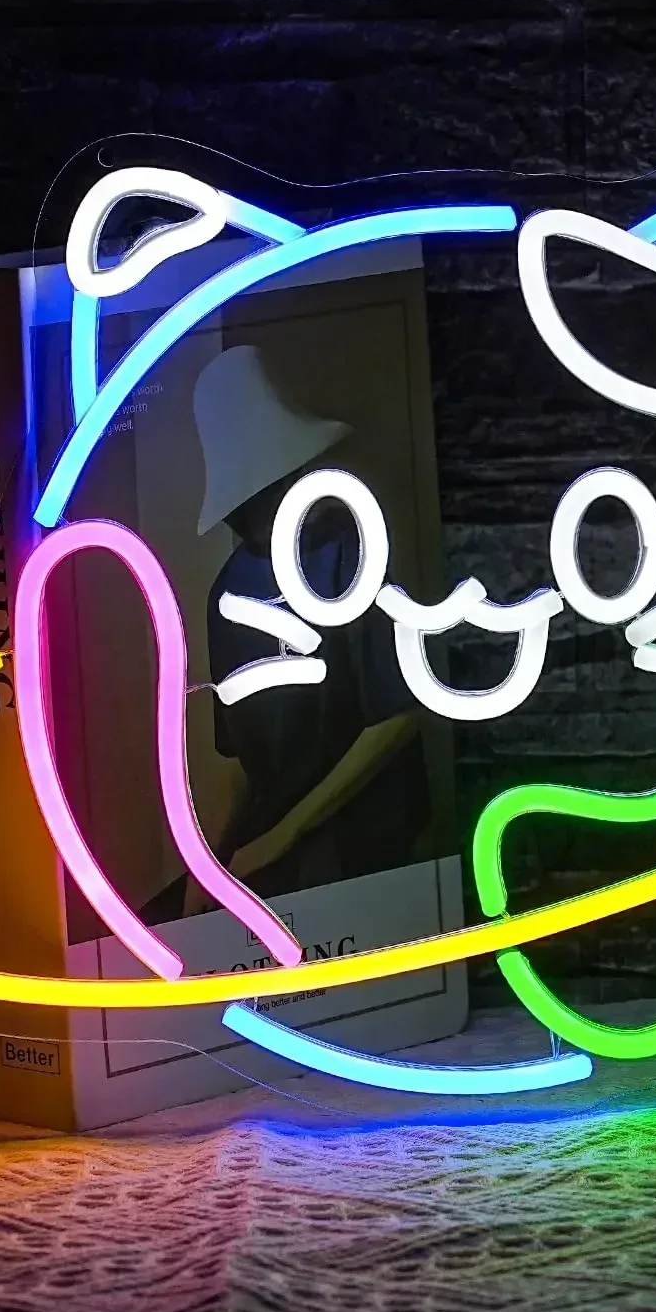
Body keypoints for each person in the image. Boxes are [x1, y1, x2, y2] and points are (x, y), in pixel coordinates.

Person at [183, 346, 429, 909]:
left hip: (365, 841)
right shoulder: (230, 591)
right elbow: (238, 766)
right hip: (278, 853)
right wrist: (205, 870)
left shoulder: (347, 550)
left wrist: (285, 836)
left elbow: (400, 714)